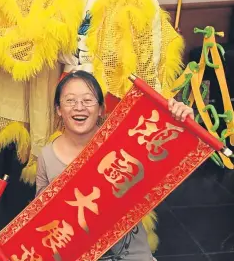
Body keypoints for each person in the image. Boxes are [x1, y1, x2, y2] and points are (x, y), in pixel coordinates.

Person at [36, 71, 194, 260]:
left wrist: (182, 122)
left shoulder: (124, 143)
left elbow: (169, 163)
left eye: (88, 100)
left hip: (131, 254)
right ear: (59, 109)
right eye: (70, 100)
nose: (79, 107)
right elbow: (40, 218)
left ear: (101, 109)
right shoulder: (47, 155)